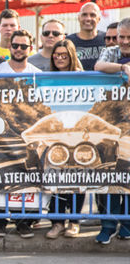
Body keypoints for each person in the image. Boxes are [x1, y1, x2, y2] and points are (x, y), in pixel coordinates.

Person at [92, 17, 130, 244]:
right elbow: (98, 66)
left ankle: (127, 224)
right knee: (110, 173)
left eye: (128, 38)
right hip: (111, 123)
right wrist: (123, 67)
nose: (124, 42)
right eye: (121, 37)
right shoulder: (112, 52)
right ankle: (107, 224)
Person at [43, 38, 85, 240]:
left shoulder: (83, 76)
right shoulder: (47, 77)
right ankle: (57, 222)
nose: (59, 58)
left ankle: (74, 221)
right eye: (56, 55)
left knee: (77, 179)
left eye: (64, 55)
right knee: (57, 180)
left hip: (78, 134)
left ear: (71, 56)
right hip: (55, 134)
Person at [67, 2, 106, 71]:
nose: (88, 18)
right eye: (84, 15)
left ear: (99, 19)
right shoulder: (69, 41)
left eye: (92, 15)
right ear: (78, 18)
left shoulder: (107, 38)